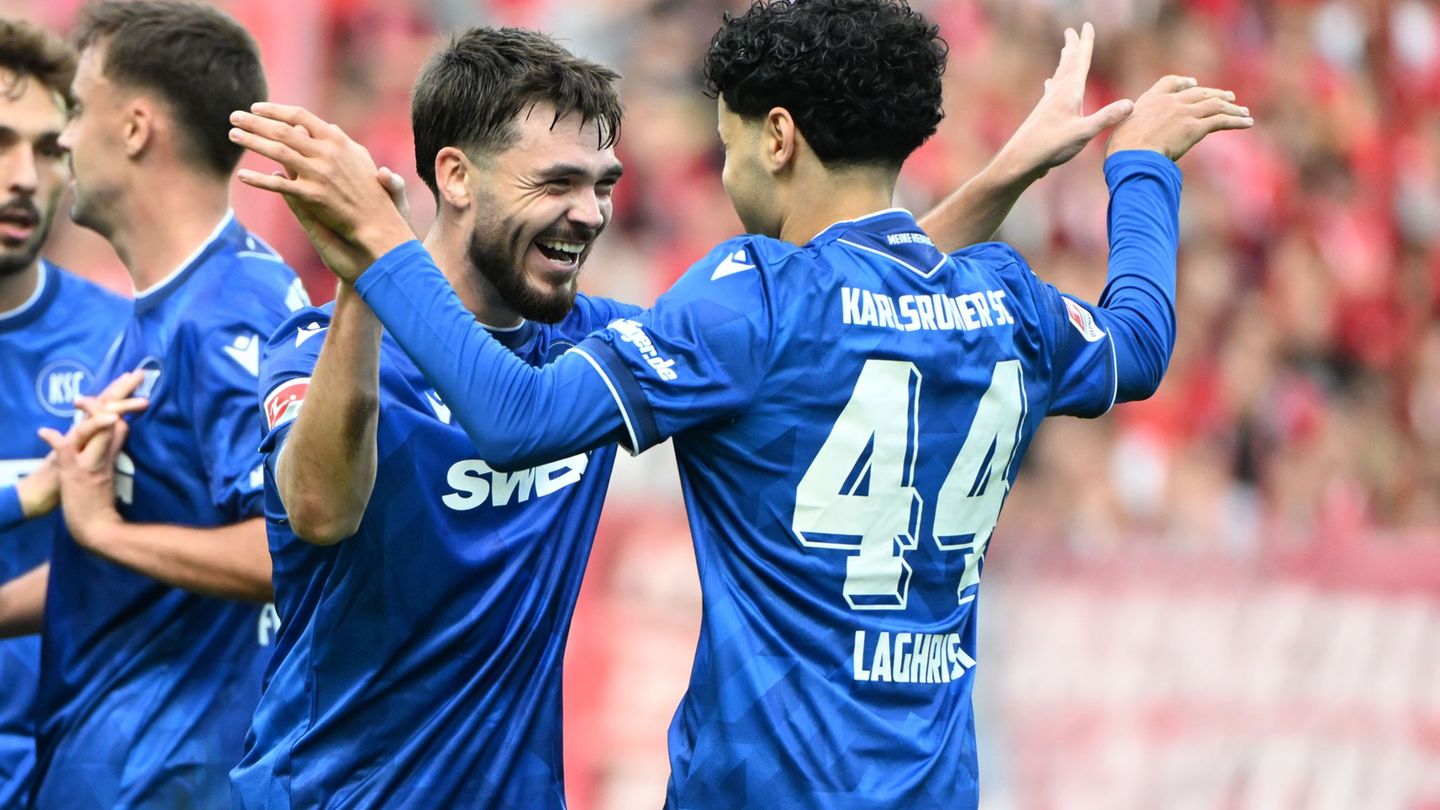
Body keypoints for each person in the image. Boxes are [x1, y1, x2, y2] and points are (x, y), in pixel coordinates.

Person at [238, 0, 1254, 802]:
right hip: (934, 787)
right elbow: (1136, 344)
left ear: (775, 138)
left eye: (723, 145)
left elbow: (519, 417)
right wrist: (1141, 172)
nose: (719, 174)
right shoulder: (1004, 297)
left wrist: (378, 248)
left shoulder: (754, 298)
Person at [0, 2, 306, 805]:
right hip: (106, 763)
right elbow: (124, 565)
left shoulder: (235, 311)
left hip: (172, 775)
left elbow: (291, 547)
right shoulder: (156, 313)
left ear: (134, 128)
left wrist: (94, 524)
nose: (63, 144)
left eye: (75, 114)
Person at [0, 19, 130, 807]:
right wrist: (28, 495)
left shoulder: (121, 342)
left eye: (48, 149)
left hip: (65, 772)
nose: (23, 176)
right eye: (0, 142)